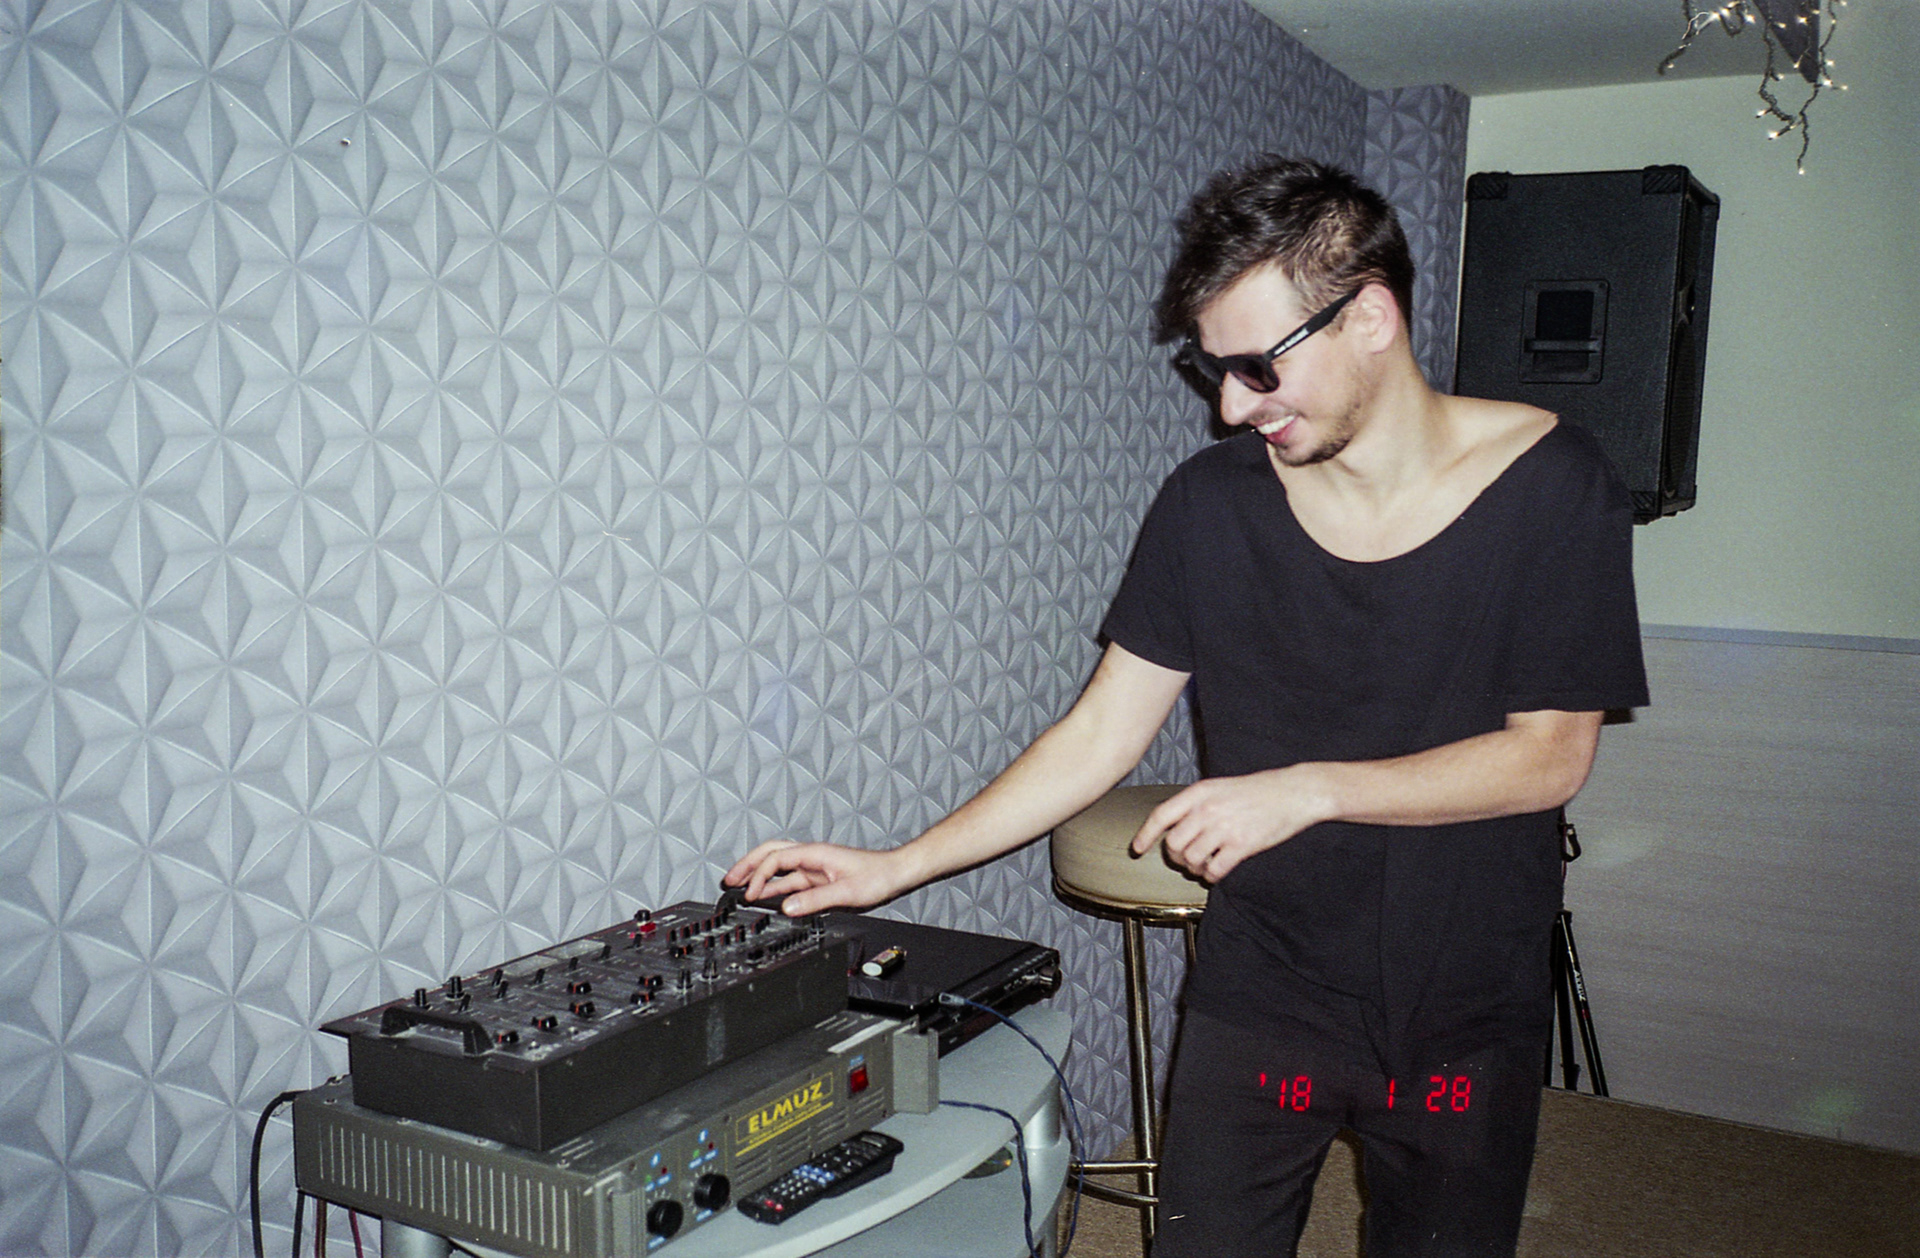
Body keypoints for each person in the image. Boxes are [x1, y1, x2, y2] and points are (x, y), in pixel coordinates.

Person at [726, 156, 1647, 1256]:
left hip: (1463, 1005)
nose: (1230, 407)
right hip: (1267, 989)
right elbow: (1102, 729)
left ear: (1371, 317)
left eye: (1257, 366)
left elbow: (1548, 757)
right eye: (1212, 370)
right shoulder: (1209, 507)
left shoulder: (1555, 483)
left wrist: (1306, 791)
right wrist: (897, 866)